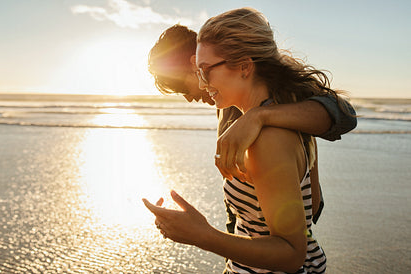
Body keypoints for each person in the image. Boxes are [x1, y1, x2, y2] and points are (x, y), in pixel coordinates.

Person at [144, 7, 345, 273]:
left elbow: (342, 113)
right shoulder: (243, 106)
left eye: (203, 70)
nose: (199, 89)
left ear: (244, 66)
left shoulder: (268, 131)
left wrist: (202, 235)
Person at [148, 24, 357, 183]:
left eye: (183, 89)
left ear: (195, 63)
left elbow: (345, 114)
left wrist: (259, 116)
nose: (188, 98)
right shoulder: (224, 99)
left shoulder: (260, 86)